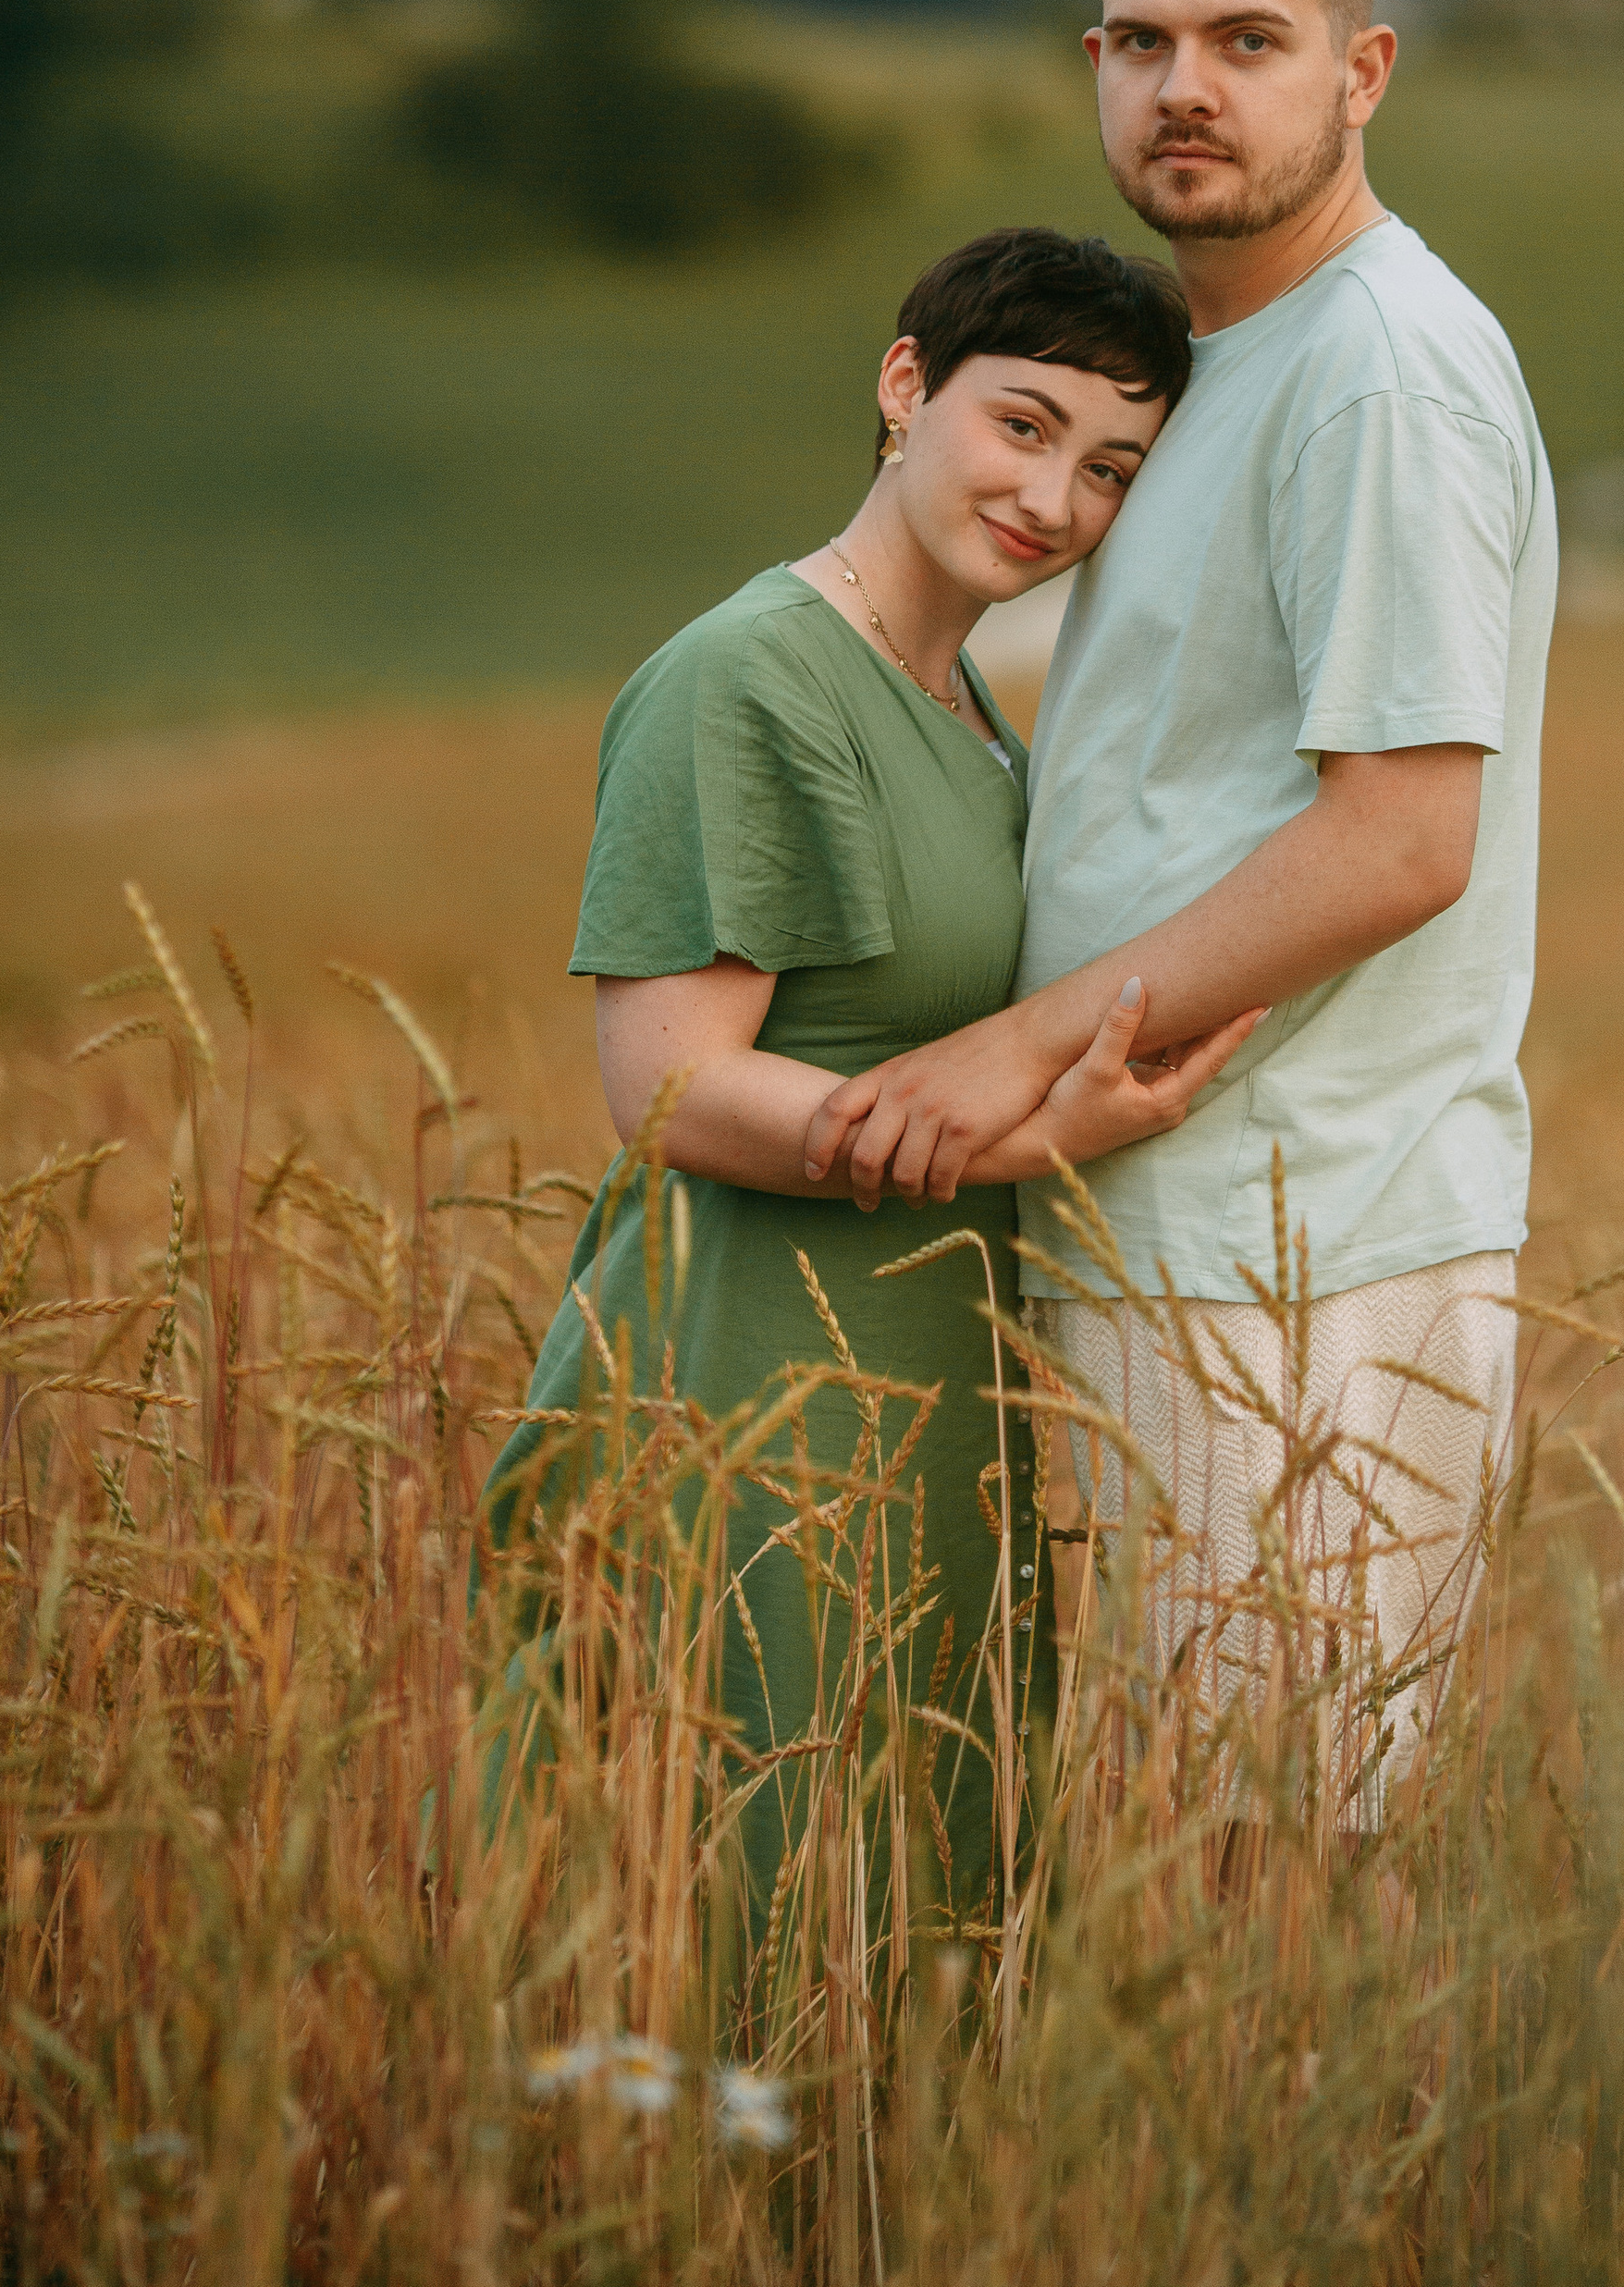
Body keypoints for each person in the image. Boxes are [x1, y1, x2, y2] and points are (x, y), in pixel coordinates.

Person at [801, 0, 1556, 1805]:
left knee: (1254, 1906)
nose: (1185, 89)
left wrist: (1014, 1047)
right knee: (1157, 1885)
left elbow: (1401, 837)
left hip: (1296, 1255)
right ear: (1092, 65)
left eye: (1245, 38)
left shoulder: (1380, 373)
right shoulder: (1201, 360)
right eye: (1141, 43)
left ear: (1361, 69)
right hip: (1155, 1226)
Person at [476, 226, 1259, 1959]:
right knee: (726, 1932)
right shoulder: (749, 676)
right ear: (906, 388)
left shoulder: (968, 695)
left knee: (908, 1947)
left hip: (922, 1403)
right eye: (1026, 425)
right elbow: (671, 1094)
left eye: (1112, 467)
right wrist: (1039, 1135)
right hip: (753, 1392)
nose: (1056, 499)